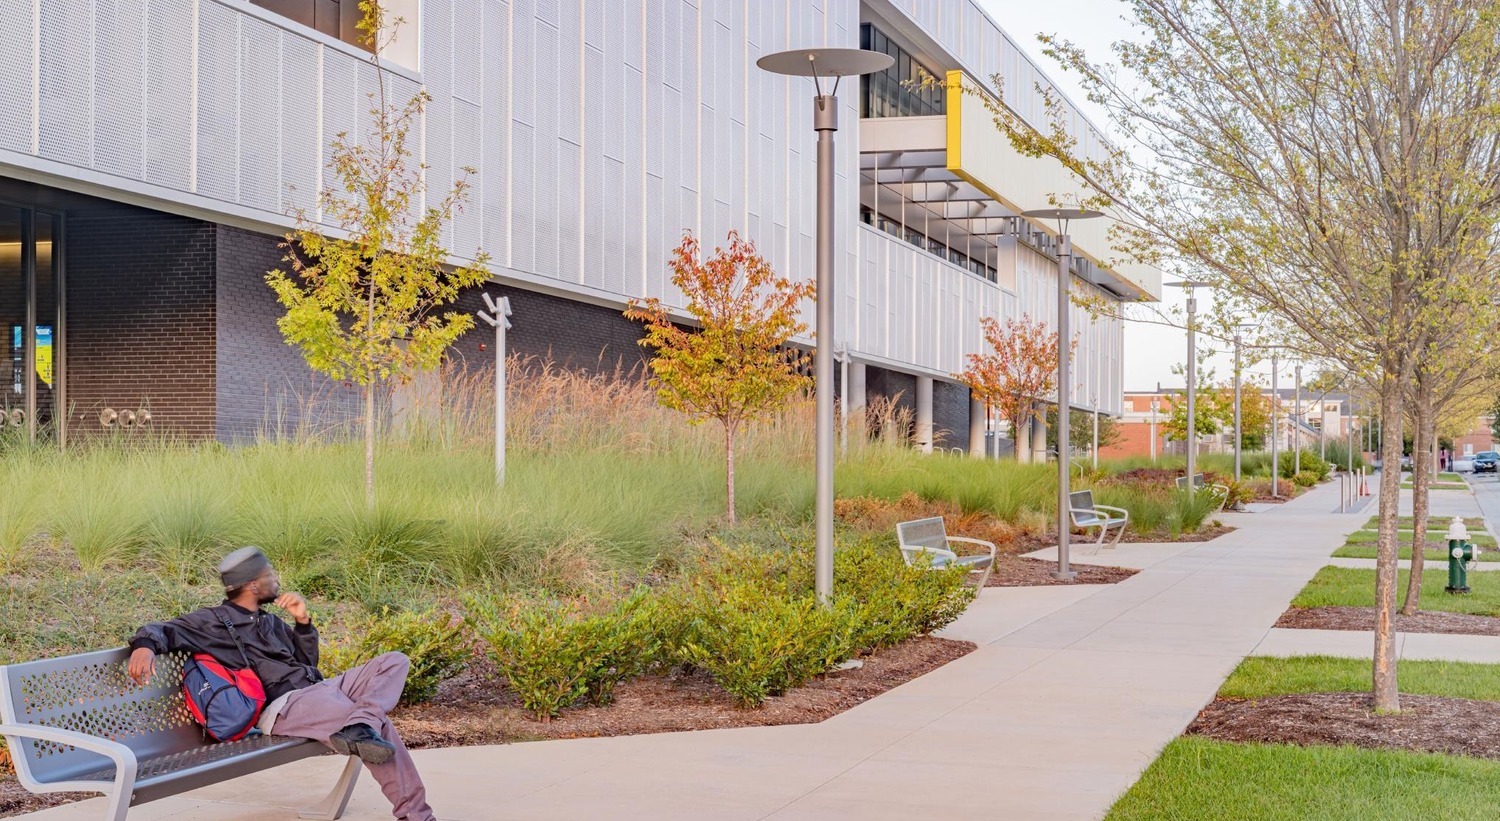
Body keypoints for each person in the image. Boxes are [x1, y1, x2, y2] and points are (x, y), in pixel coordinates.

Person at [127, 547, 436, 821]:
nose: (276, 579)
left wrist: (303, 622)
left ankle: (360, 722)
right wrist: (144, 646)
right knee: (377, 728)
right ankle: (416, 814)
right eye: (270, 574)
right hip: (286, 706)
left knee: (394, 661)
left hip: (320, 690)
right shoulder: (214, 621)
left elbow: (306, 664)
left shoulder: (270, 621)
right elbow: (162, 629)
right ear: (253, 584)